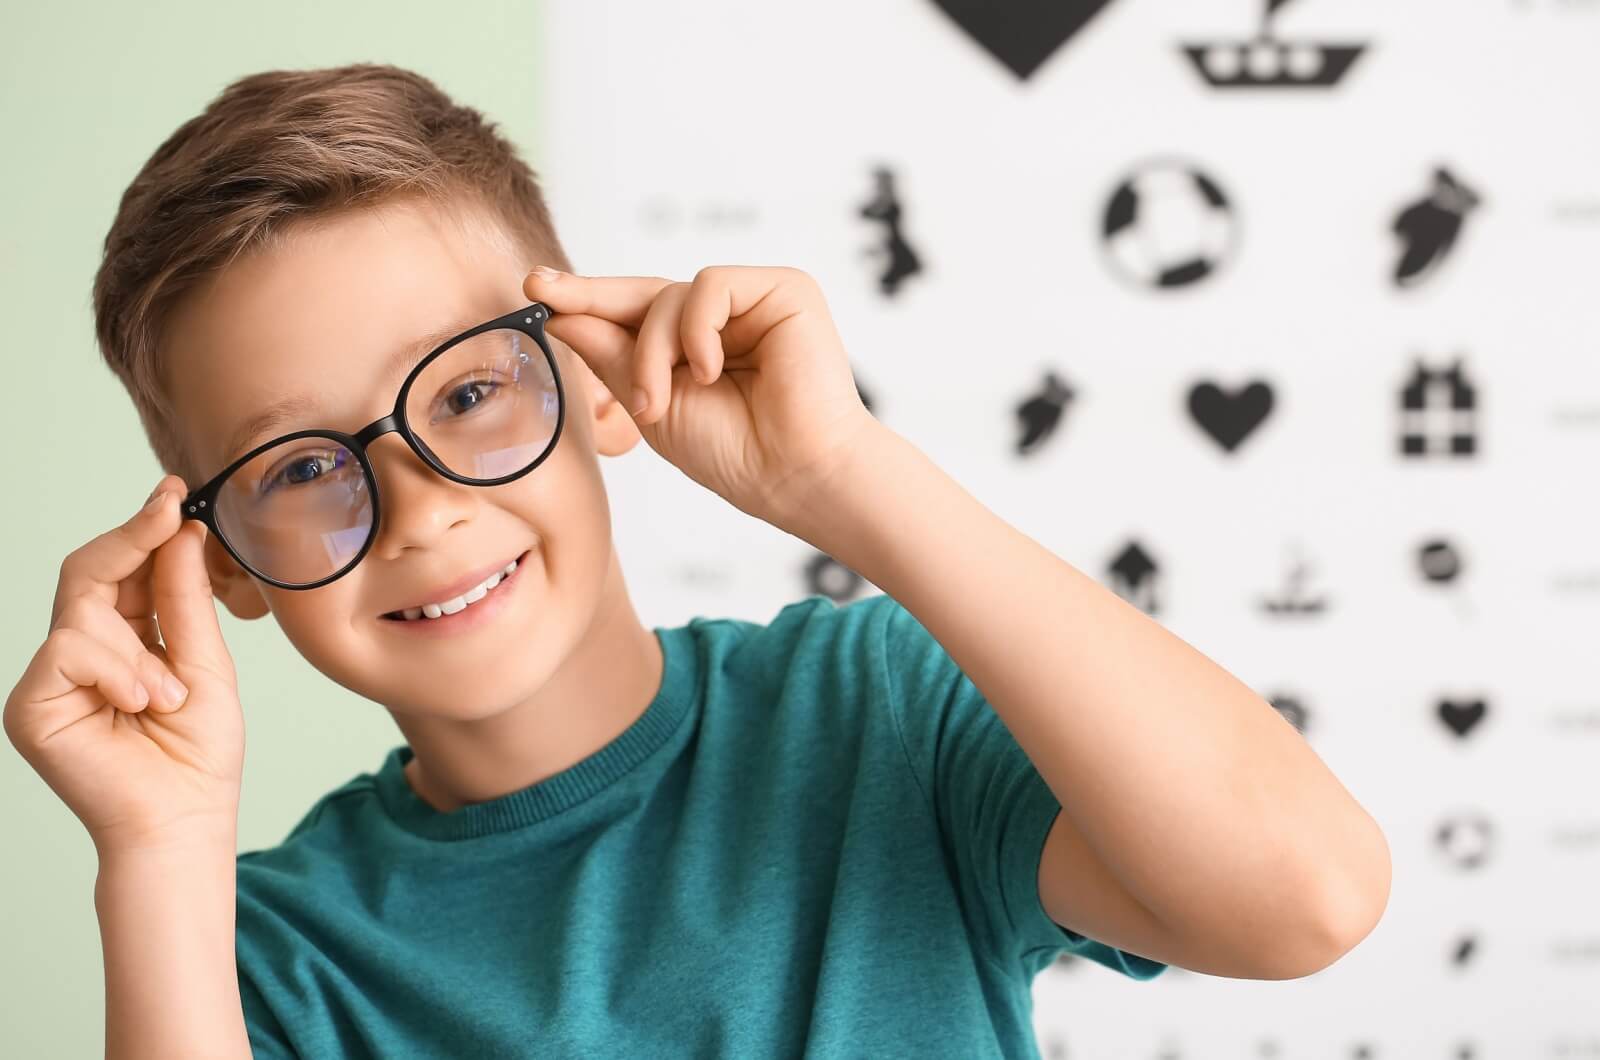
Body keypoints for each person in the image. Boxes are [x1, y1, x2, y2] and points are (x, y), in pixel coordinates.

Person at [3, 62, 1391, 1059]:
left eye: (470, 392)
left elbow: (1307, 899)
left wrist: (848, 478)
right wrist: (161, 849)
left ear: (599, 380)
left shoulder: (873, 717)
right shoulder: (267, 959)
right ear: (224, 562)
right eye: (303, 467)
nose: (417, 504)